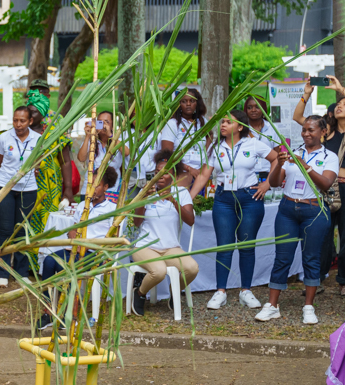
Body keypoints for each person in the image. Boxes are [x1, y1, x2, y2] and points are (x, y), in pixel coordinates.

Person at [189, 110, 279, 310]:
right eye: (222, 122)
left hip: (249, 199)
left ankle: (245, 291)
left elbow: (276, 159)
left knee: (247, 246)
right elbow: (204, 176)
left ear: (240, 127)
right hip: (224, 200)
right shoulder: (215, 147)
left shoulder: (252, 143)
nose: (223, 125)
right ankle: (220, 291)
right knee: (224, 246)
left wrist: (267, 185)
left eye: (228, 122)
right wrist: (189, 198)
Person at [256, 115, 340, 325]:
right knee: (282, 258)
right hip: (287, 209)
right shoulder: (292, 154)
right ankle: (272, 306)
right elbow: (275, 183)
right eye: (304, 130)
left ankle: (308, 307)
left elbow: (326, 184)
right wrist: (278, 165)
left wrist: (304, 164)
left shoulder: (329, 156)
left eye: (311, 130)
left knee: (311, 258)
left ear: (322, 132)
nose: (306, 133)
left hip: (314, 210)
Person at [38, 166, 119, 328]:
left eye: (96, 185)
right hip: (75, 250)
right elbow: (73, 229)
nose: (92, 189)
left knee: (70, 266)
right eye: (90, 184)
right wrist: (73, 235)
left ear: (105, 187)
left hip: (95, 254)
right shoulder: (83, 205)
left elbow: (113, 238)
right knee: (48, 261)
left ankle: (67, 312)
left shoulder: (112, 209)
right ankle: (47, 310)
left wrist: (90, 246)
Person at [128, 149, 197, 316]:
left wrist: (173, 200)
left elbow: (190, 220)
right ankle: (139, 293)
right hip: (146, 246)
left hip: (170, 247)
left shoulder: (182, 193)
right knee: (159, 271)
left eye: (165, 173)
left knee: (192, 268)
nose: (160, 176)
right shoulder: (146, 192)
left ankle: (175, 290)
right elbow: (136, 223)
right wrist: (143, 199)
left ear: (173, 175)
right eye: (157, 172)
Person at [294, 80, 345, 294]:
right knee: (320, 237)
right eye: (339, 103)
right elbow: (299, 118)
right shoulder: (327, 131)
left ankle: (343, 281)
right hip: (324, 189)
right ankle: (316, 279)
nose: (341, 105)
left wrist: (341, 89)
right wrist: (306, 93)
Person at [23, 82, 74, 271]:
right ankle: (28, 265)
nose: (37, 96)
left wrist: (67, 190)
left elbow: (65, 158)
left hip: (51, 186)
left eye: (42, 93)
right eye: (33, 93)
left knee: (48, 223)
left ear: (48, 95)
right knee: (28, 222)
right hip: (27, 184)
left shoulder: (56, 121)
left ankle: (47, 264)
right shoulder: (24, 117)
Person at [0, 105, 41, 285]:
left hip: (28, 189)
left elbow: (38, 161)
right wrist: (10, 173)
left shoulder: (38, 139)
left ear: (30, 121)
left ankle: (21, 272)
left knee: (22, 230)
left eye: (22, 121)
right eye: (15, 120)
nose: (18, 124)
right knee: (5, 229)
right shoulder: (4, 137)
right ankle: (2, 273)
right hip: (4, 187)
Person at [159, 87, 209, 190]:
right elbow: (167, 154)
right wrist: (189, 169)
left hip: (201, 174)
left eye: (192, 101)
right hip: (180, 174)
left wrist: (203, 169)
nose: (188, 104)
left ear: (197, 103)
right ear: (178, 104)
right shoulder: (172, 124)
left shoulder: (203, 122)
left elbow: (209, 148)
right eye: (184, 101)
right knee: (183, 204)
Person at [76, 110, 127, 201]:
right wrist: (88, 136)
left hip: (112, 189)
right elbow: (81, 158)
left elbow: (127, 152)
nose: (103, 125)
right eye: (100, 122)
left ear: (112, 125)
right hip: (90, 188)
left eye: (106, 122)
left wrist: (110, 135)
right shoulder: (92, 140)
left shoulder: (118, 140)